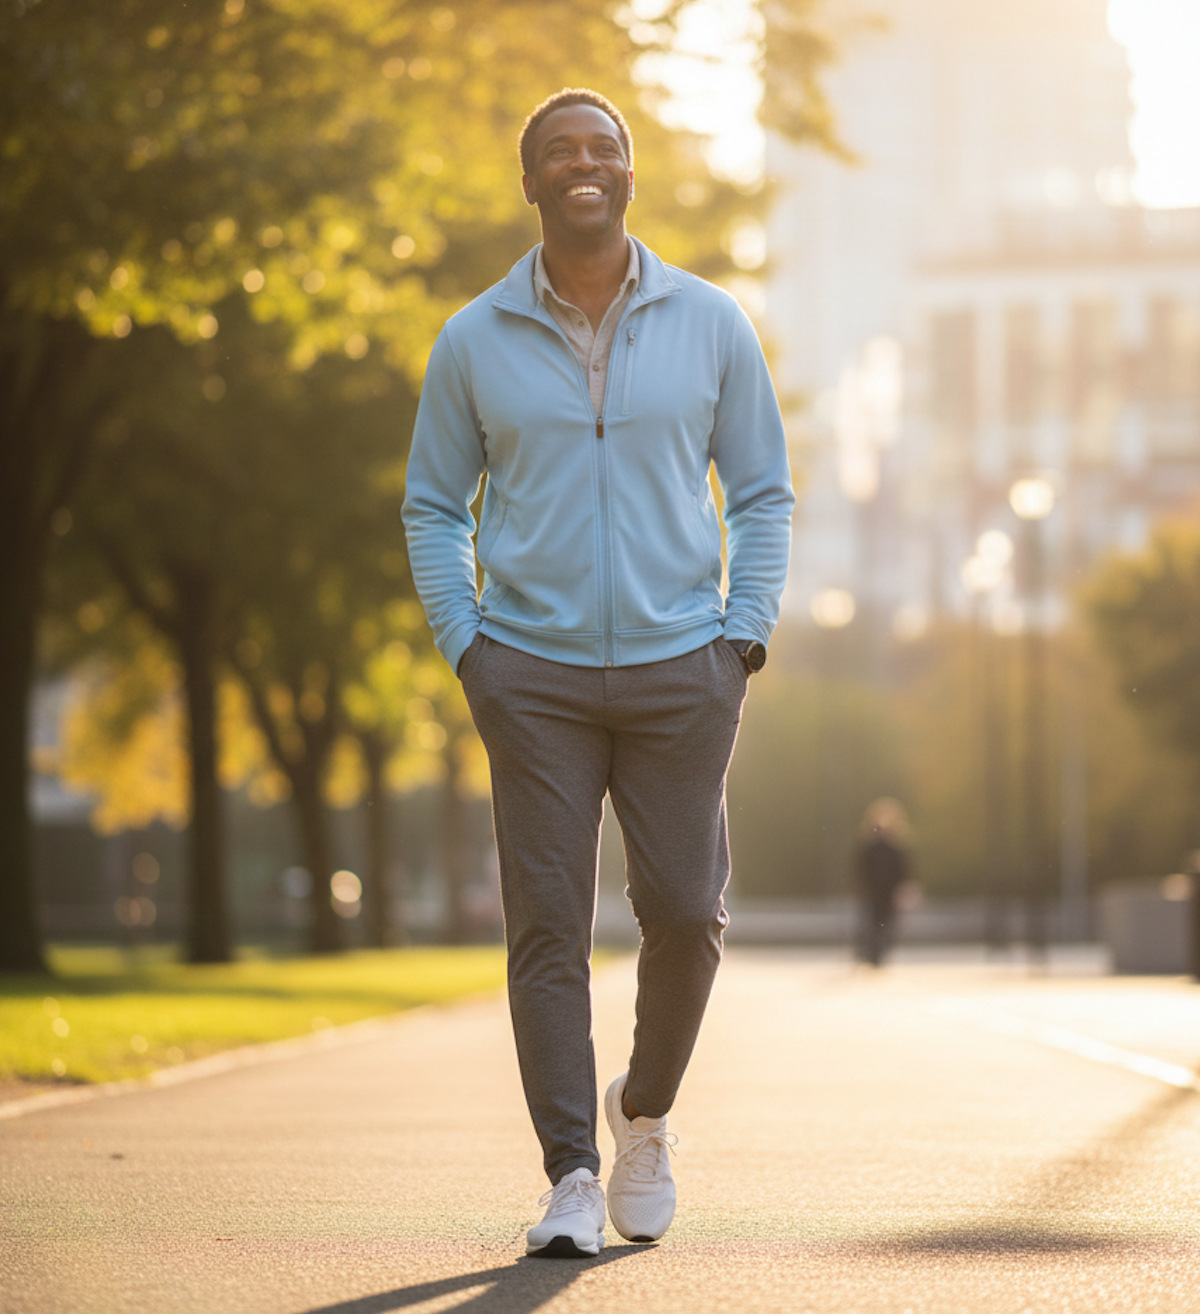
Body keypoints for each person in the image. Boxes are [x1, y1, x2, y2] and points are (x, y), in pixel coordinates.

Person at [402, 87, 794, 1258]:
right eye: (559, 152)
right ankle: (571, 1172)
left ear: (631, 175)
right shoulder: (473, 339)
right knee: (547, 932)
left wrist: (745, 635)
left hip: (687, 668)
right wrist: (470, 647)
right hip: (532, 676)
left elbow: (762, 490)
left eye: (603, 149)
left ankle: (647, 1113)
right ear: (528, 183)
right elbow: (433, 507)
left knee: (686, 912)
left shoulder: (714, 321)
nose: (584, 164)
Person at [854, 797, 913, 967]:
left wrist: (904, 888)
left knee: (886, 923)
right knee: (872, 922)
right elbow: (861, 867)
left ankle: (877, 953)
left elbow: (904, 870)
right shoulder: (870, 845)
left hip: (888, 891)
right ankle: (871, 953)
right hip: (874, 891)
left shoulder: (896, 846)